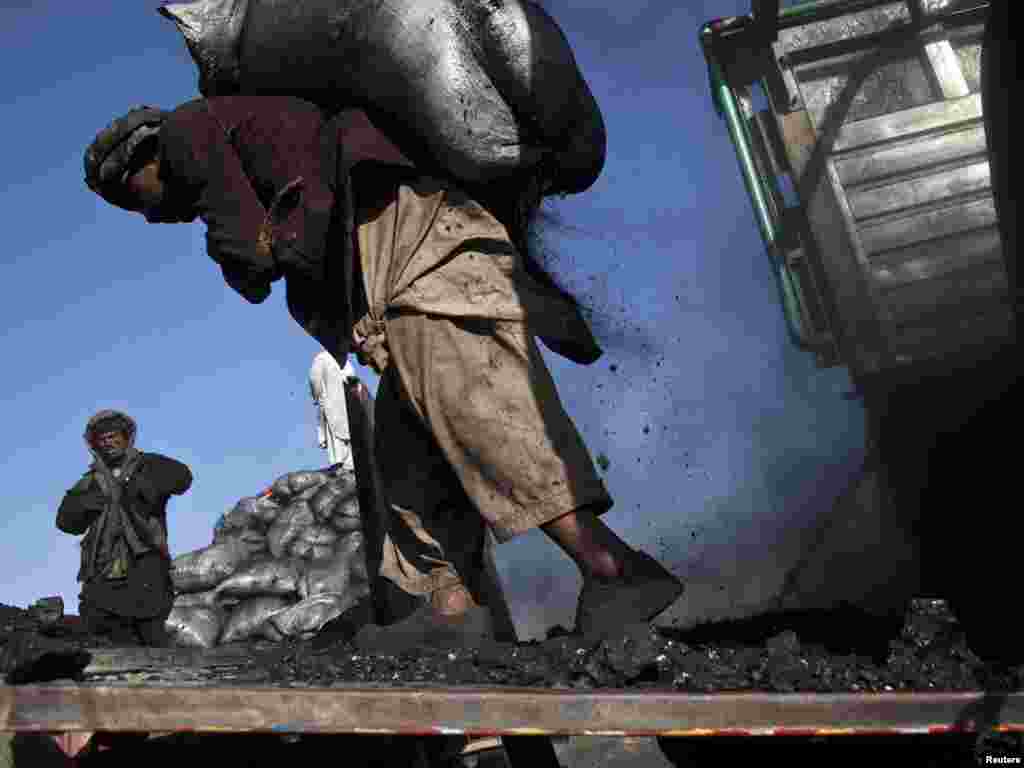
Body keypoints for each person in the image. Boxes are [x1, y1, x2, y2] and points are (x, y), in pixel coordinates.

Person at [83, 96, 683, 652]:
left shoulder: (188, 133)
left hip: (416, 245)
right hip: (394, 272)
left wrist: (245, 256)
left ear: (142, 155)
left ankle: (614, 570)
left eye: (133, 196)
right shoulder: (231, 138)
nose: (147, 215)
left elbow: (247, 251)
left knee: (474, 412)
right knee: (403, 456)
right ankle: (451, 606)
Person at [57, 410, 192, 646]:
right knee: (104, 635)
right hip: (102, 573)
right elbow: (66, 522)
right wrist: (87, 505)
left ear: (126, 438)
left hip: (146, 566)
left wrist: (148, 486)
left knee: (153, 633)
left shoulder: (149, 465)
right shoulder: (89, 482)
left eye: (113, 436)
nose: (109, 442)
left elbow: (183, 478)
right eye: (103, 439)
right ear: (95, 445)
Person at [310, 349, 358, 471]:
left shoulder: (321, 358)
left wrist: (317, 396)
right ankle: (347, 462)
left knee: (336, 432)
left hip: (332, 401)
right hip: (345, 403)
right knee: (345, 431)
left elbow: (314, 380)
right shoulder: (345, 360)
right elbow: (353, 380)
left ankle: (339, 461)